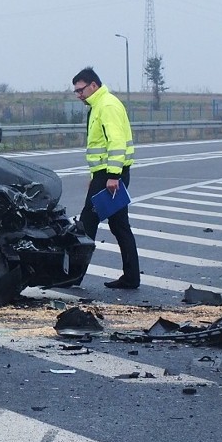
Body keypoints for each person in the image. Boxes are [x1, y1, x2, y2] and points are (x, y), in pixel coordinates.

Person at [72, 66, 141, 289]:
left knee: (87, 223)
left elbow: (116, 142)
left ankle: (74, 276)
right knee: (119, 226)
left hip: (111, 177)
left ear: (94, 85)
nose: (79, 95)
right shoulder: (99, 105)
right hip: (105, 176)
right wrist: (96, 176)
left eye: (81, 90)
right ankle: (131, 277)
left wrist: (112, 176)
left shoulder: (107, 105)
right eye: (76, 92)